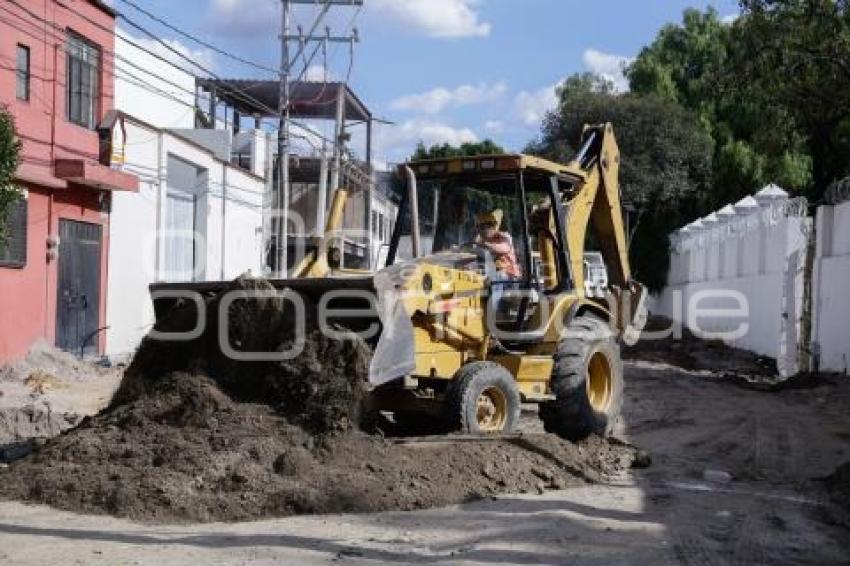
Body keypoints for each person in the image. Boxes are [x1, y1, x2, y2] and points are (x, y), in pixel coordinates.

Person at [475, 209, 522, 280]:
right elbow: (480, 256)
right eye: (480, 228)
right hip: (493, 275)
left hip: (509, 276)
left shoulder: (504, 237)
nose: (484, 231)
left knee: (499, 276)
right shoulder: (483, 241)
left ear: (493, 227)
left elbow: (504, 248)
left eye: (486, 227)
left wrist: (486, 245)